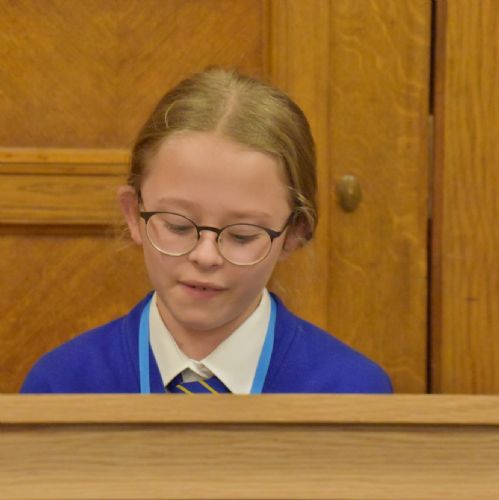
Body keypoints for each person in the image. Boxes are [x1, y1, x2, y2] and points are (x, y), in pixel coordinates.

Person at [21, 68, 392, 394]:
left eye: (242, 235)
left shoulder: (350, 391)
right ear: (134, 214)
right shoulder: (63, 384)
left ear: (294, 232)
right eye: (178, 225)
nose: (205, 256)